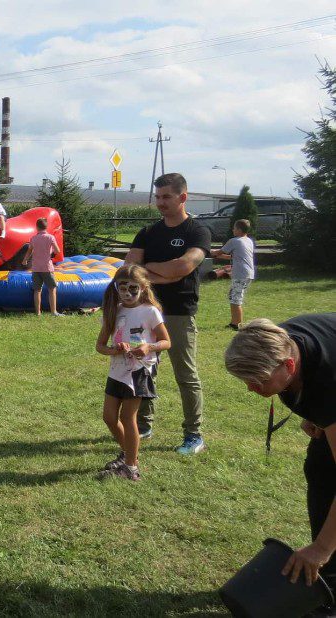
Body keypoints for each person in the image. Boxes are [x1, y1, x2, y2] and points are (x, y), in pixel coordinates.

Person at [223, 314, 336, 588]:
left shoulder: (327, 383)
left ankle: (326, 564)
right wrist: (319, 417)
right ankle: (329, 580)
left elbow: (325, 394)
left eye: (258, 381)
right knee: (320, 469)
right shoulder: (273, 340)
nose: (251, 388)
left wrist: (321, 547)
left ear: (289, 365)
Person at [124, 172, 211, 454]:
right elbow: (129, 271)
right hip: (145, 312)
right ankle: (144, 424)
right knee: (143, 368)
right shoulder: (148, 233)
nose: (160, 203)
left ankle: (194, 434)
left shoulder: (197, 232)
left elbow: (182, 268)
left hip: (179, 313)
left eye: (166, 197)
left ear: (182, 197)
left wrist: (152, 271)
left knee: (185, 375)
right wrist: (165, 272)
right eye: (157, 197)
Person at [94, 264, 171, 481]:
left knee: (128, 417)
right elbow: (100, 346)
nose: (127, 294)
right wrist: (114, 350)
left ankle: (130, 467)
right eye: (122, 288)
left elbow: (166, 342)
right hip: (117, 370)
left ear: (144, 287)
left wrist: (149, 347)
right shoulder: (113, 310)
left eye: (132, 289)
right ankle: (128, 454)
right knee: (109, 417)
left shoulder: (150, 311)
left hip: (139, 371)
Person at [211, 219, 255, 331]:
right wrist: (217, 255)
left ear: (239, 230)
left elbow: (219, 252)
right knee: (233, 296)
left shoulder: (234, 241)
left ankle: (237, 324)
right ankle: (234, 322)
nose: (233, 230)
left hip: (241, 274)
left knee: (236, 299)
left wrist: (208, 251)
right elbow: (234, 256)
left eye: (234, 228)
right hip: (248, 273)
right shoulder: (248, 240)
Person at [22, 217, 62, 317]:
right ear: (46, 227)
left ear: (37, 227)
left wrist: (25, 260)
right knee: (52, 288)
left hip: (36, 268)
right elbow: (57, 251)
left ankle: (38, 312)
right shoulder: (50, 237)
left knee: (37, 290)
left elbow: (29, 251)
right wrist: (51, 252)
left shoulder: (33, 238)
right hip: (47, 268)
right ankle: (53, 311)